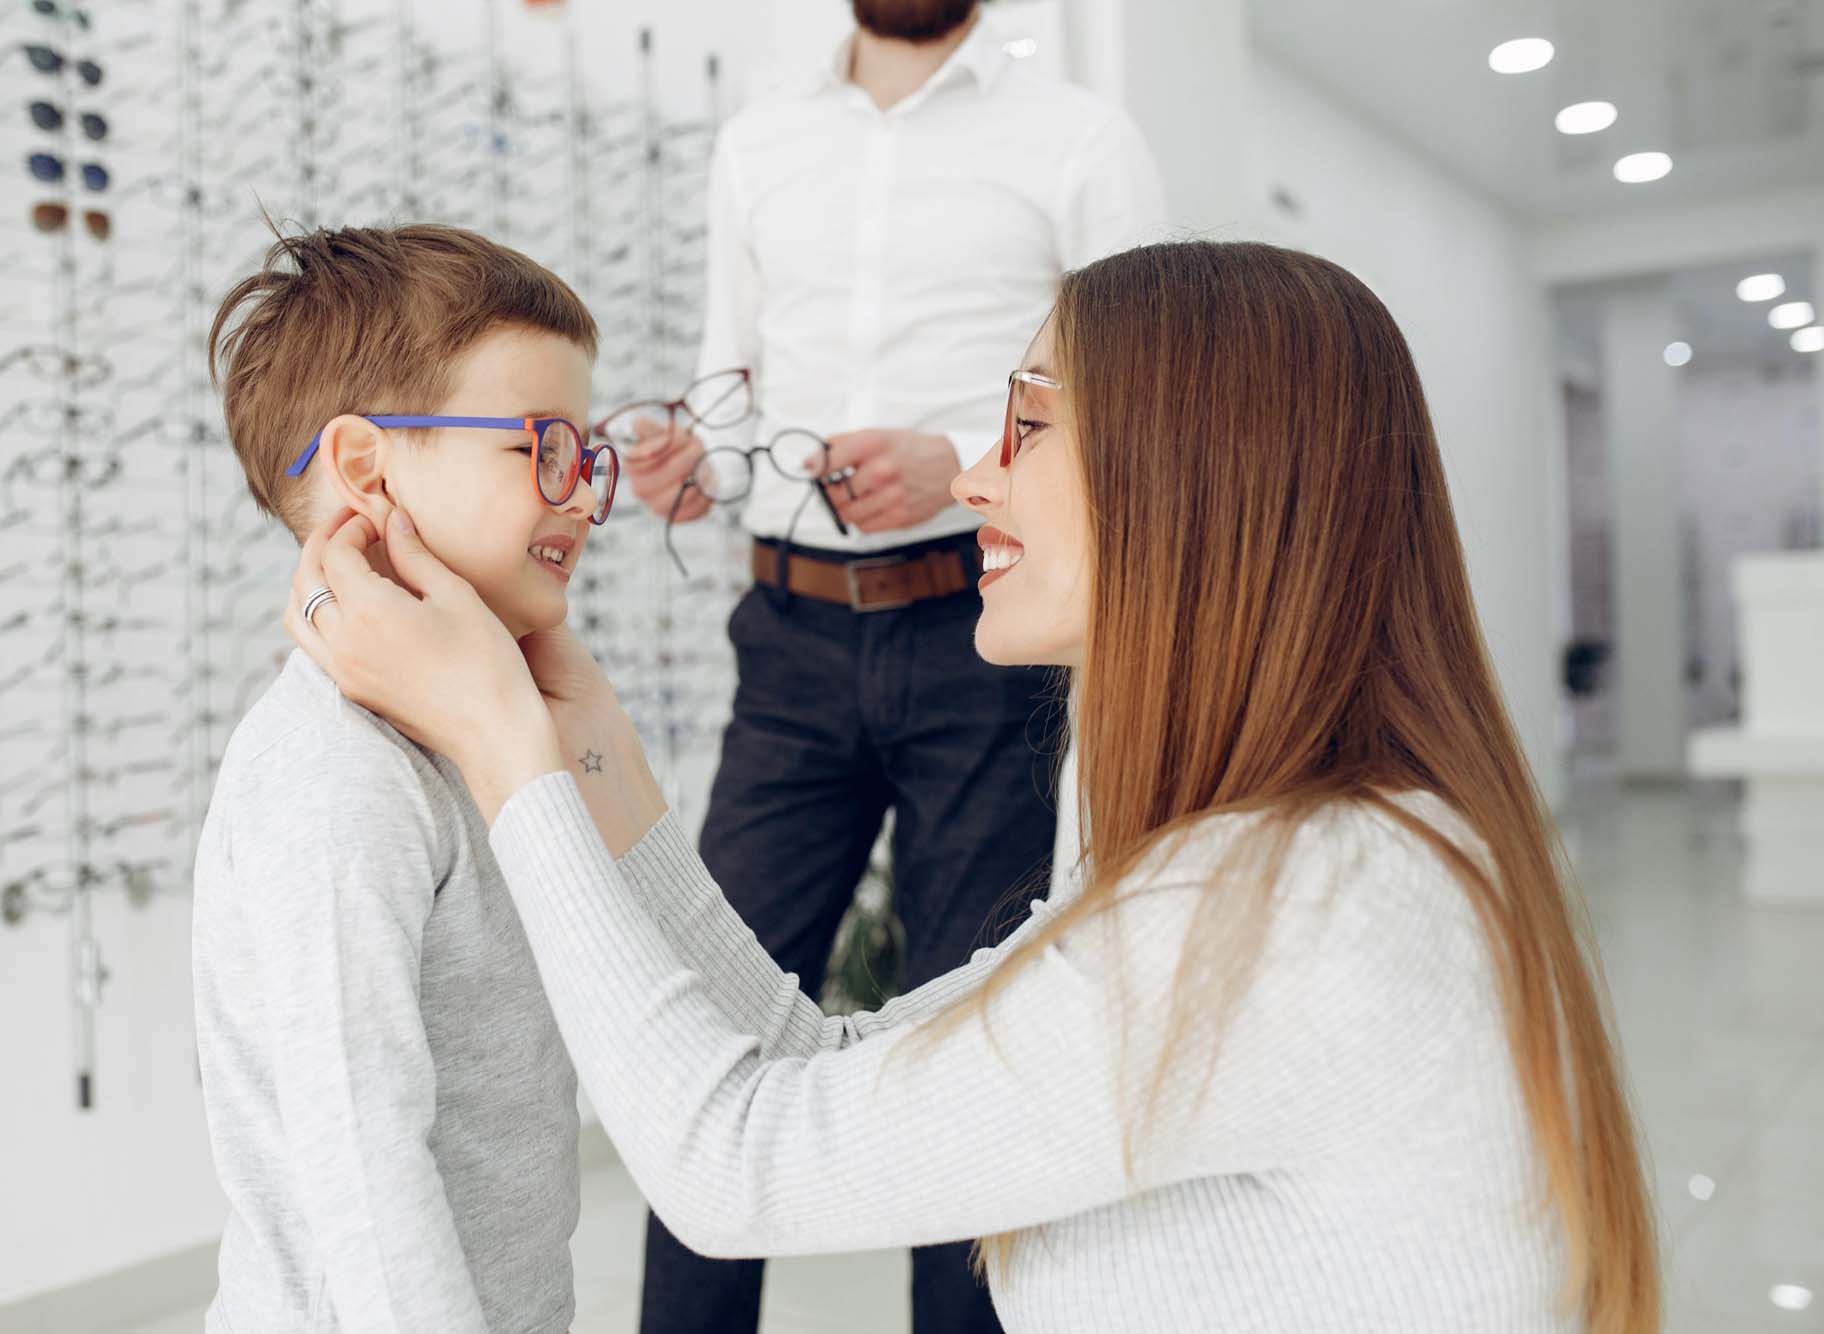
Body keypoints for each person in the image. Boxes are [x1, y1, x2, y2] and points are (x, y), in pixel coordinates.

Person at [288, 240, 1661, 1333]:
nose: (980, 477)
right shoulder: (1297, 852)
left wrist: (507, 751)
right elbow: (824, 1063)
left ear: (1194, 481)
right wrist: (595, 758)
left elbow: (736, 1159)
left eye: (1028, 426)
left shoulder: (1291, 917)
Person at [614, 3, 1163, 1325]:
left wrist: (967, 455)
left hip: (984, 636)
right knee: (709, 1025)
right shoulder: (759, 141)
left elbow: (1154, 392)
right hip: (789, 634)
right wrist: (686, 453)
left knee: (970, 1048)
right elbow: (726, 381)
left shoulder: (1080, 140)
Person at [190, 222, 615, 1333]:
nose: (581, 497)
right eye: (546, 447)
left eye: (590, 456)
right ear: (367, 469)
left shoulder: (481, 730)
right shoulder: (333, 770)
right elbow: (359, 1155)